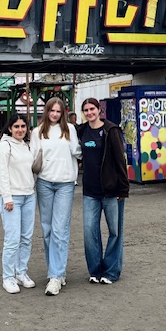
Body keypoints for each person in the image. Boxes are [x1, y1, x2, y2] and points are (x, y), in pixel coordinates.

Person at [30, 97, 81, 296]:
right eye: (52, 110)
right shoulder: (37, 131)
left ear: (63, 113)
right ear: (47, 111)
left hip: (65, 183)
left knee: (60, 229)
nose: (55, 114)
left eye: (58, 111)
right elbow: (32, 157)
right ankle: (56, 270)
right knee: (47, 229)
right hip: (44, 182)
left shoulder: (70, 129)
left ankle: (55, 276)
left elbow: (77, 151)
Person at [76, 97, 129, 285]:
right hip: (90, 192)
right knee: (90, 232)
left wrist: (123, 188)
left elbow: (120, 160)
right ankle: (95, 270)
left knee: (115, 231)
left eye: (92, 109)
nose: (89, 113)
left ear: (99, 110)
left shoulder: (110, 130)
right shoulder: (82, 131)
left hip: (111, 191)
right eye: (86, 110)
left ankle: (111, 271)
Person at [0, 113, 36, 294]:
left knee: (26, 238)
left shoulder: (26, 146)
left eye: (23, 126)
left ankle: (21, 272)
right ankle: (8, 277)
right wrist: (7, 197)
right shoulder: (4, 147)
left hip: (29, 195)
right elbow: (1, 173)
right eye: (16, 126)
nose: (20, 130)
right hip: (12, 198)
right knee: (12, 239)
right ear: (10, 128)